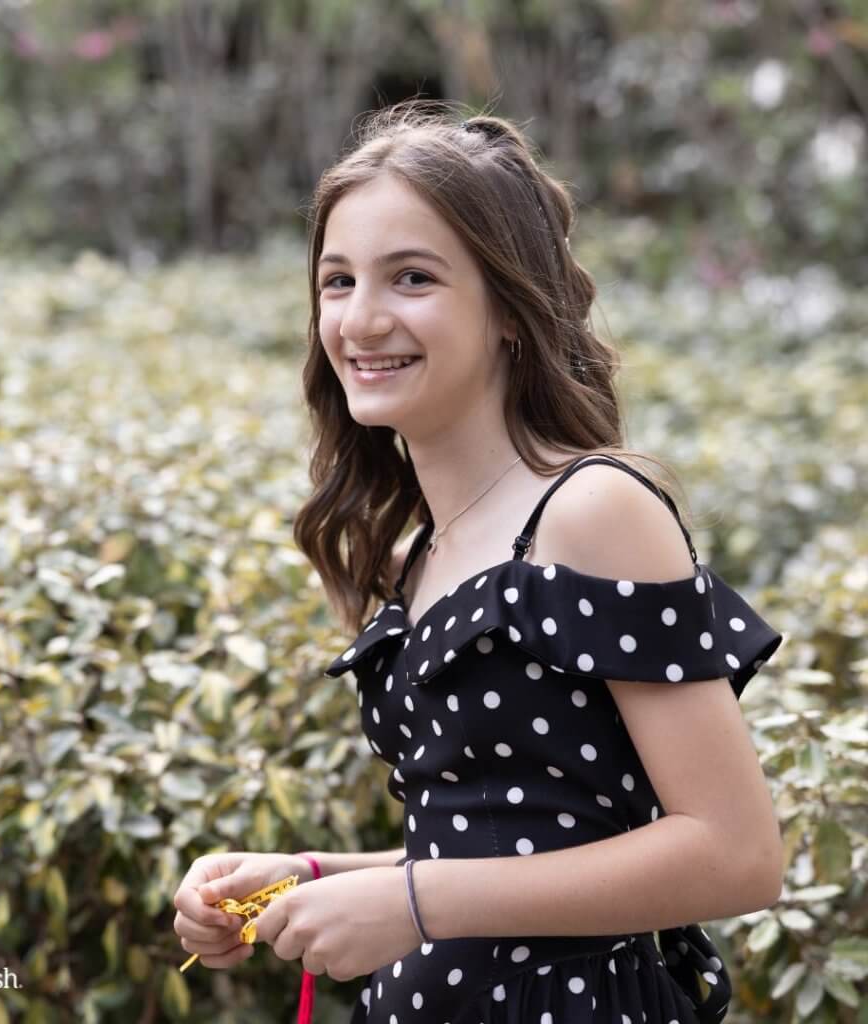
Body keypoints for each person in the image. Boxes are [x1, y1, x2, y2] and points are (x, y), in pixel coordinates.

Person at [173, 99, 786, 1023]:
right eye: (337, 282)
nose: (361, 319)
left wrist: (413, 903)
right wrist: (308, 878)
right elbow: (511, 844)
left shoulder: (593, 509)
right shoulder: (428, 544)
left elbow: (738, 856)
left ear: (508, 308)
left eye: (412, 278)